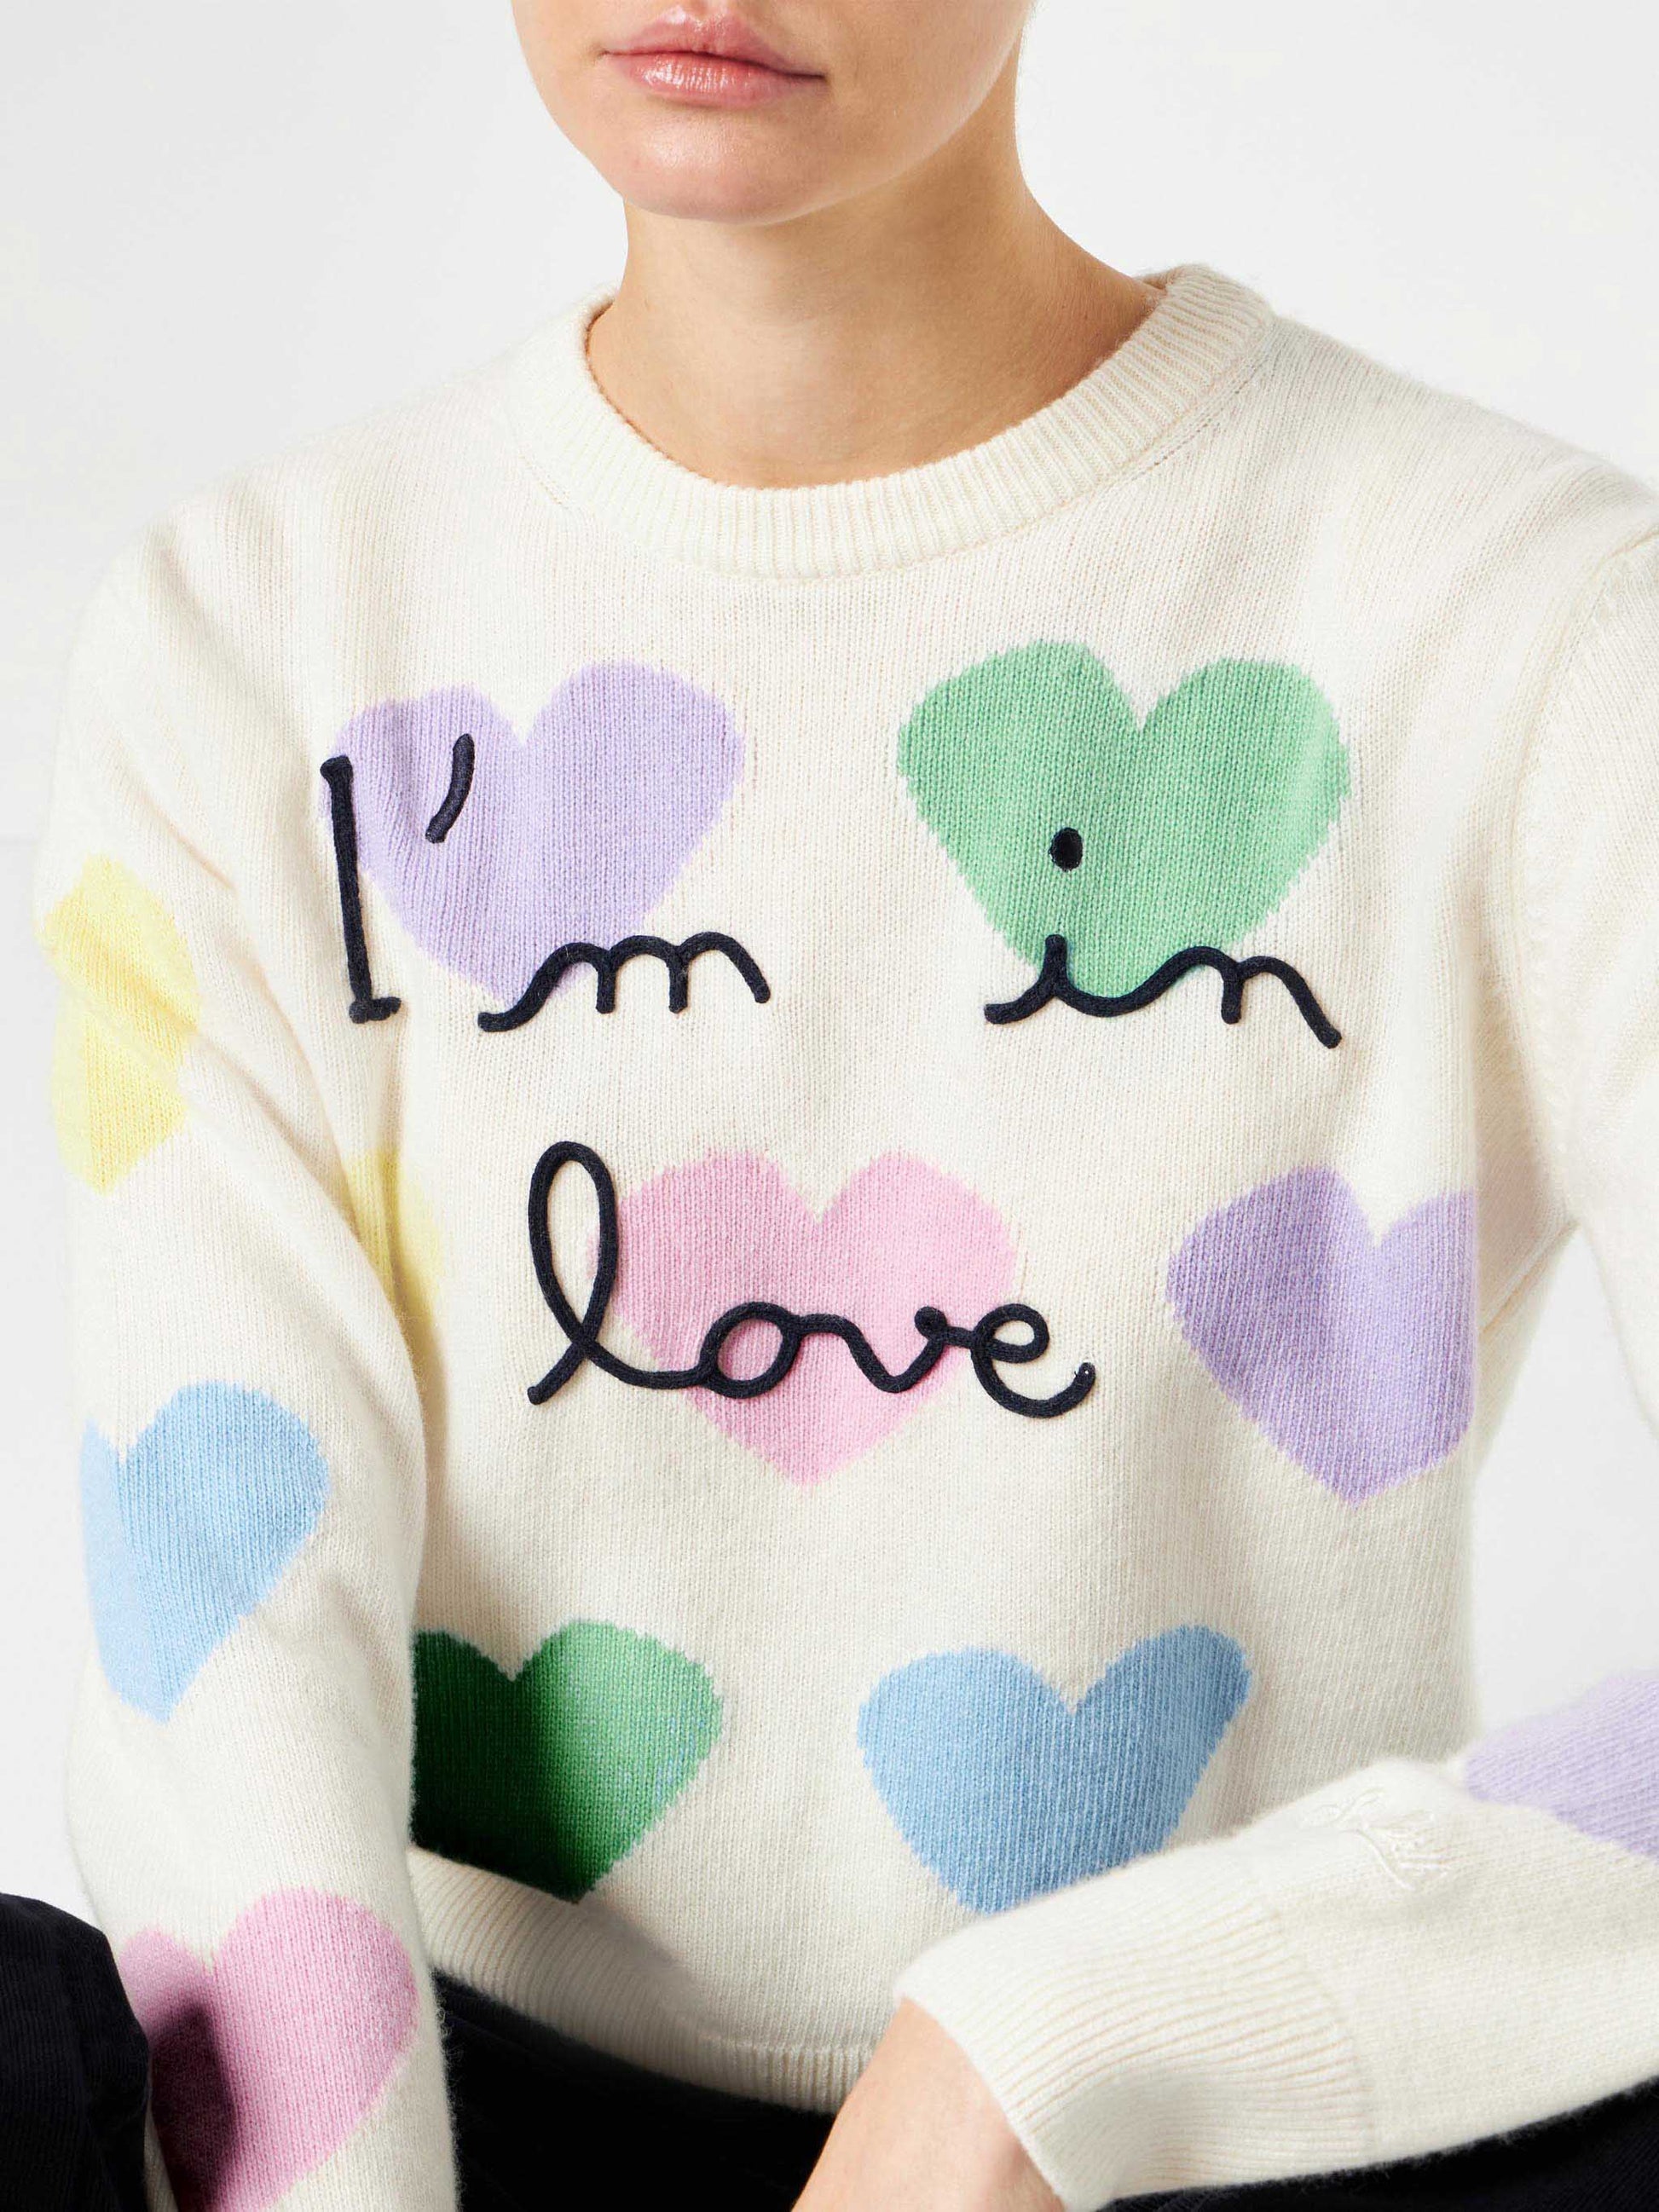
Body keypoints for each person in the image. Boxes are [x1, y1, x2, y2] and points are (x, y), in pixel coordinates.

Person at [22, 1, 1659, 2206]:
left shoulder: (1529, 626)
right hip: (456, 2130)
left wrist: (1058, 2046)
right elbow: (227, 1625)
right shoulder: (251, 637)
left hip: (1231, 2137)